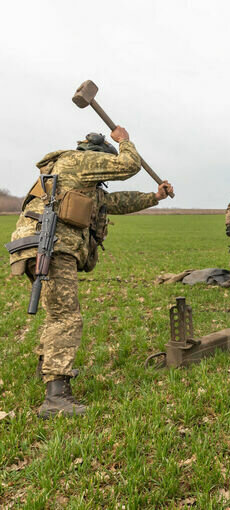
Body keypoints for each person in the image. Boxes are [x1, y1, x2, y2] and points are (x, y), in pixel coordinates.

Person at [6, 127, 173, 418]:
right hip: (52, 246)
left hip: (38, 244)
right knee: (66, 316)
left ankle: (47, 368)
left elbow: (114, 203)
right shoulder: (77, 162)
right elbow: (129, 165)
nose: (104, 178)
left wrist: (154, 196)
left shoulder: (77, 182)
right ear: (97, 158)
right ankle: (56, 395)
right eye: (103, 170)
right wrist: (124, 141)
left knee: (57, 311)